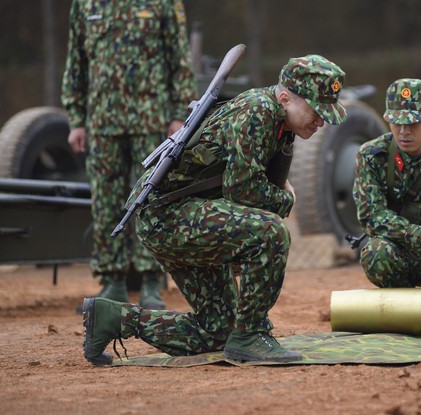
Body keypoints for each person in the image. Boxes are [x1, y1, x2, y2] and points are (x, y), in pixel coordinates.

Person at [81, 54, 348, 365]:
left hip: (183, 214)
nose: (321, 121)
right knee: (270, 232)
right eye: (316, 111)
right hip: (169, 215)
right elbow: (243, 190)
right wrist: (284, 200)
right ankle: (251, 336)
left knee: (217, 333)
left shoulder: (278, 118)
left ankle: (112, 318)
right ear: (286, 98)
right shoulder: (259, 111)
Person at [61, 0, 197, 311]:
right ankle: (113, 282)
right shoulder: (86, 0)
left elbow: (179, 62)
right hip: (103, 123)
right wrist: (76, 119)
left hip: (151, 121)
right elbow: (76, 64)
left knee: (150, 199)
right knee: (106, 202)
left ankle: (152, 282)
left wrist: (179, 116)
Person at [353, 78, 421, 288]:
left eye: (413, 122)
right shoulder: (373, 156)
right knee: (377, 254)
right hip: (406, 257)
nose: (404, 130)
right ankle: (404, 312)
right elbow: (371, 216)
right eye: (396, 121)